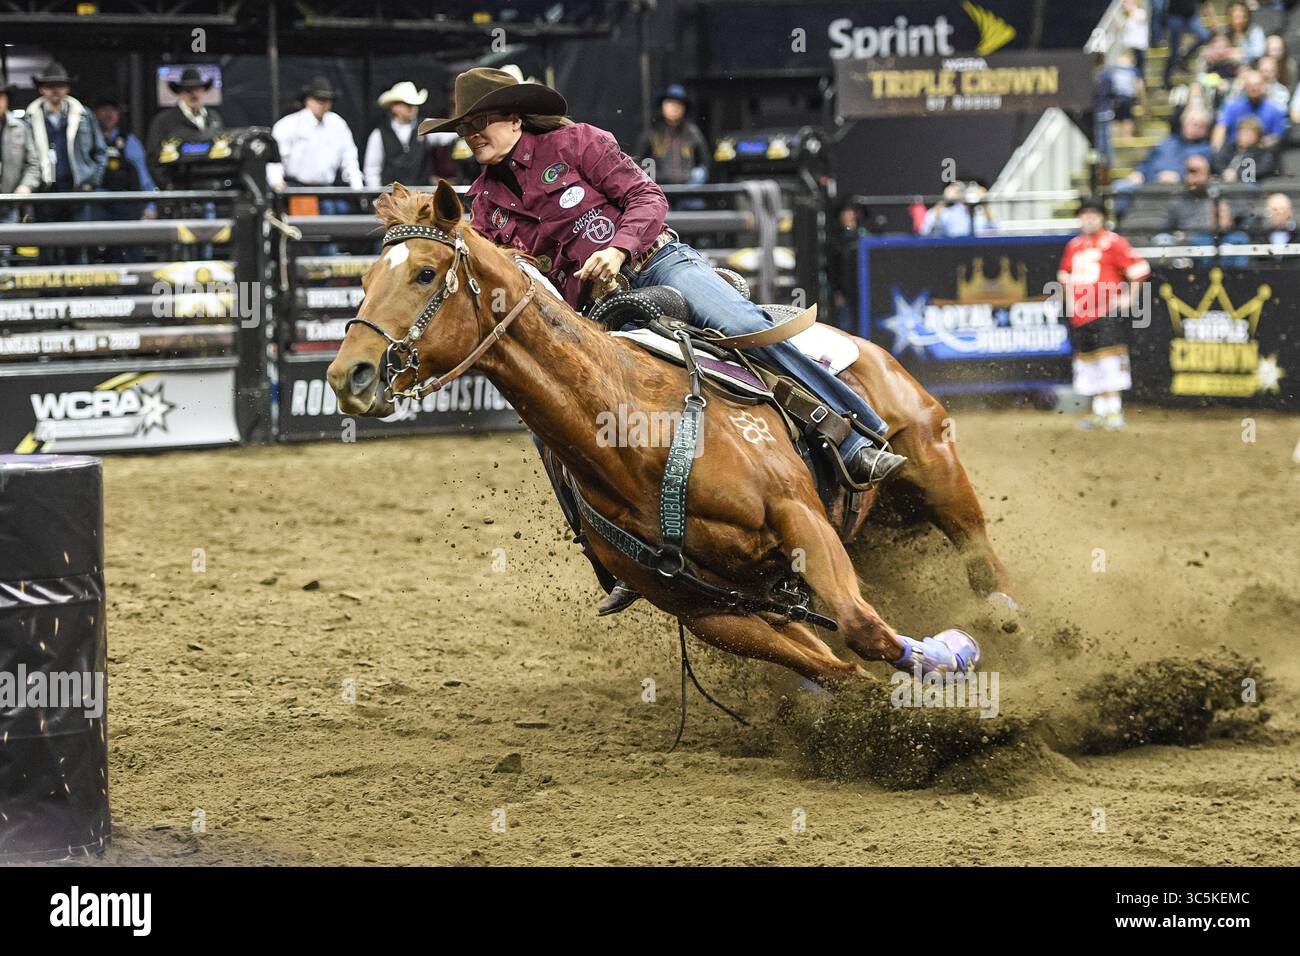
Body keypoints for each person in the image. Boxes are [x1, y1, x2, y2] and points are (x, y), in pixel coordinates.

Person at [418, 68, 905, 614]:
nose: (473, 135)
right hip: (590, 315)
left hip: (657, 265)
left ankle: (853, 436)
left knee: (742, 323)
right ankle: (615, 553)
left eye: (481, 122)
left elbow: (647, 198)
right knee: (550, 426)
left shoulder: (579, 142)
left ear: (513, 118)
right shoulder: (481, 206)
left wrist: (619, 249)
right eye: (465, 129)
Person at [1057, 197, 1150, 431]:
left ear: (1102, 218)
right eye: (1084, 215)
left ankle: (1114, 410)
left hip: (1104, 312)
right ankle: (1100, 410)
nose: (1088, 219)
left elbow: (1139, 269)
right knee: (1090, 363)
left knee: (1108, 359)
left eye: (1093, 215)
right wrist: (1069, 303)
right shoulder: (1075, 245)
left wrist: (1130, 297)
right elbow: (1065, 276)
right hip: (1080, 314)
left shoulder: (1113, 242)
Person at [268, 77, 363, 255]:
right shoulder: (289, 124)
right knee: (307, 239)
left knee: (332, 230)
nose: (322, 104)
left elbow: (349, 156)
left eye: (326, 100)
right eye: (318, 99)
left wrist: (357, 187)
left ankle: (329, 265)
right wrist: (277, 183)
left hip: (327, 191)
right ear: (307, 100)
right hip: (299, 191)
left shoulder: (337, 124)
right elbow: (274, 157)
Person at [24, 62, 106, 264]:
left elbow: (100, 152)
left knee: (77, 247)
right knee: (46, 249)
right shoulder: (29, 118)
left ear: (67, 88)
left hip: (76, 189)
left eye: (59, 85)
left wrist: (90, 180)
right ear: (41, 89)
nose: (55, 90)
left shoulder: (83, 115)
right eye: (50, 85)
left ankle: (77, 294)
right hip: (44, 190)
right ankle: (49, 295)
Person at [145, 67, 225, 187]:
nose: (193, 94)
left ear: (203, 91)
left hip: (212, 188)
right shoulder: (164, 121)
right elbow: (153, 158)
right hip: (181, 191)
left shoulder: (214, 118)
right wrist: (168, 187)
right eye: (188, 90)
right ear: (180, 92)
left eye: (197, 89)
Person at [634, 84, 710, 186]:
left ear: (684, 108)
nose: (674, 107)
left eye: (679, 103)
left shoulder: (692, 132)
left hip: (688, 190)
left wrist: (697, 176)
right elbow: (640, 161)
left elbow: (704, 161)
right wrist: (652, 180)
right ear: (662, 106)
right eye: (670, 102)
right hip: (660, 190)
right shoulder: (653, 132)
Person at [1, 80, 41, 265]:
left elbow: (33, 164)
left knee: (5, 253)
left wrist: (25, 185)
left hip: (8, 203)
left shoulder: (20, 128)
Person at [363, 81, 431, 190]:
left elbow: (447, 132)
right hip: (393, 199)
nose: (412, 108)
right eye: (408, 104)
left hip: (421, 197)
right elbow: (372, 170)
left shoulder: (426, 126)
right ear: (394, 107)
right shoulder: (379, 133)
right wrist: (377, 197)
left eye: (415, 104)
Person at [1212, 69, 1287, 149]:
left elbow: (1277, 136)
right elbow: (1220, 128)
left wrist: (1258, 144)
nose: (1254, 88)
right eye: (1250, 85)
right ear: (1244, 87)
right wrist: (1217, 152)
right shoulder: (1232, 107)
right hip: (1234, 151)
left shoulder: (1275, 111)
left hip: (1261, 152)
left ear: (1264, 86)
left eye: (1258, 85)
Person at [1213, 115, 1275, 182]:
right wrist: (1225, 172)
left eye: (1249, 135)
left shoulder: (1263, 153)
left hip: (1248, 185)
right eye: (1242, 133)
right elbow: (1217, 162)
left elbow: (1264, 169)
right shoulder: (1229, 147)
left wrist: (1238, 174)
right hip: (1223, 181)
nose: (1245, 137)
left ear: (1258, 136)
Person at [919, 181, 994, 236]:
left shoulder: (980, 212)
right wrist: (944, 200)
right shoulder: (948, 213)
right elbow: (925, 231)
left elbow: (994, 228)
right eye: (959, 190)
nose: (967, 193)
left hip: (979, 247)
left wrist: (985, 202)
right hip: (954, 248)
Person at [1165, 0, 1213, 85]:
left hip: (1190, 16)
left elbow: (1205, 3)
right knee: (1174, 50)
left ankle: (1184, 58)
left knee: (1204, 36)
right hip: (1175, 15)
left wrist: (1213, 21)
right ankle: (1166, 78)